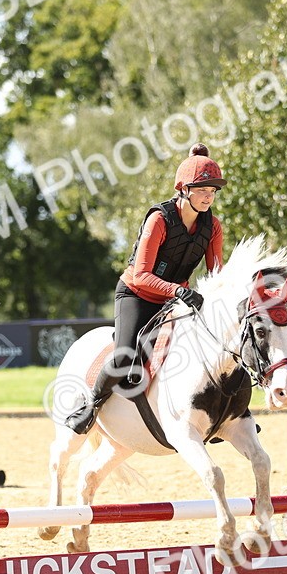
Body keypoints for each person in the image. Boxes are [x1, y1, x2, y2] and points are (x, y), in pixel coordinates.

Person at [64, 143, 227, 434]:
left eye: (213, 191)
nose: (208, 196)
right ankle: (91, 406)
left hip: (174, 300)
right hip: (137, 294)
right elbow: (141, 275)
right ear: (183, 189)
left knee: (214, 344)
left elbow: (217, 273)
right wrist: (178, 291)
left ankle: (226, 411)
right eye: (202, 189)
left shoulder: (212, 226)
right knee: (125, 354)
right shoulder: (160, 219)